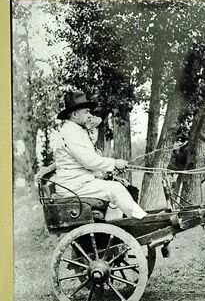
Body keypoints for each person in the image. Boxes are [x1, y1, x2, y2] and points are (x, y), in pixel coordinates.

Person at [51, 90, 147, 219]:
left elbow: (86, 162)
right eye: (86, 112)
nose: (89, 115)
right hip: (74, 186)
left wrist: (108, 170)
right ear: (74, 114)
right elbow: (89, 161)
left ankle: (116, 229)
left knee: (116, 188)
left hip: (79, 183)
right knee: (116, 189)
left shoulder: (76, 130)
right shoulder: (70, 132)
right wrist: (114, 163)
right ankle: (142, 219)